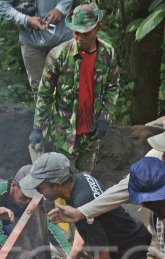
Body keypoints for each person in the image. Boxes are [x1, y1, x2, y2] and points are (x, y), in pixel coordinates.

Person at [50, 118, 165, 225]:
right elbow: (125, 188)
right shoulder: (158, 155)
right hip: (161, 231)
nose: (164, 157)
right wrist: (81, 212)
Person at [19, 152, 150, 259]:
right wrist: (74, 253)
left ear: (57, 184)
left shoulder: (81, 205)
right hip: (134, 231)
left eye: (40, 188)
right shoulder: (81, 178)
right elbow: (92, 228)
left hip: (131, 255)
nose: (38, 192)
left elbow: (103, 257)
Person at [30, 3, 118, 172]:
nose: (80, 37)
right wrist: (38, 128)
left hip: (91, 131)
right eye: (76, 32)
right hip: (64, 131)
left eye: (85, 33)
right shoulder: (58, 55)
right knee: (61, 180)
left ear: (98, 27)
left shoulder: (108, 54)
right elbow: (45, 93)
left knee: (85, 179)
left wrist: (104, 119)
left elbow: (113, 87)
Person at [0, 165, 70, 252]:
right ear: (13, 186)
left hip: (1, 223)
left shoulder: (31, 200)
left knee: (21, 243)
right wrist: (21, 255)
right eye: (26, 196)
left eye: (32, 197)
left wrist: (69, 253)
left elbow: (49, 227)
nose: (29, 202)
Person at [0, 0, 73, 92]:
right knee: (39, 89)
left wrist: (60, 9)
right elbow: (3, 6)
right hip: (31, 41)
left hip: (63, 37)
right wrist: (26, 20)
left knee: (69, 87)